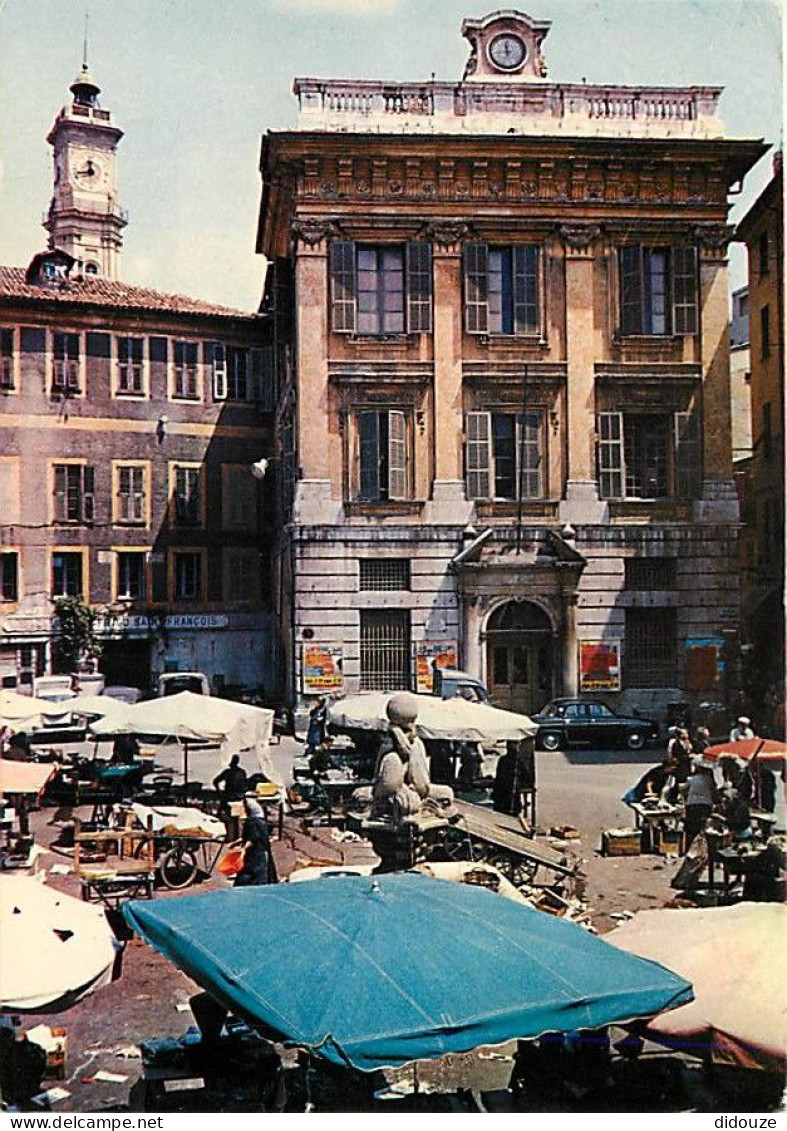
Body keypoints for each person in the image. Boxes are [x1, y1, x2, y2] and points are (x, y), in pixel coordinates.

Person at [234, 793, 276, 886]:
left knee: (255, 877)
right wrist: (237, 842)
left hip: (256, 854)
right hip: (262, 852)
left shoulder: (252, 822)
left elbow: (253, 838)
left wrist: (244, 849)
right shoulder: (261, 822)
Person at [493, 738, 535, 816]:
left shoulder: (504, 760)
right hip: (511, 795)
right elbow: (527, 776)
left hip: (503, 795)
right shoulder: (517, 760)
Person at [683, 757, 717, 850]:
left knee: (691, 828)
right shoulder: (709, 779)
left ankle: (688, 848)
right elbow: (714, 791)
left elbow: (684, 790)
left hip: (692, 805)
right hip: (706, 805)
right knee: (704, 828)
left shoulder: (691, 779)